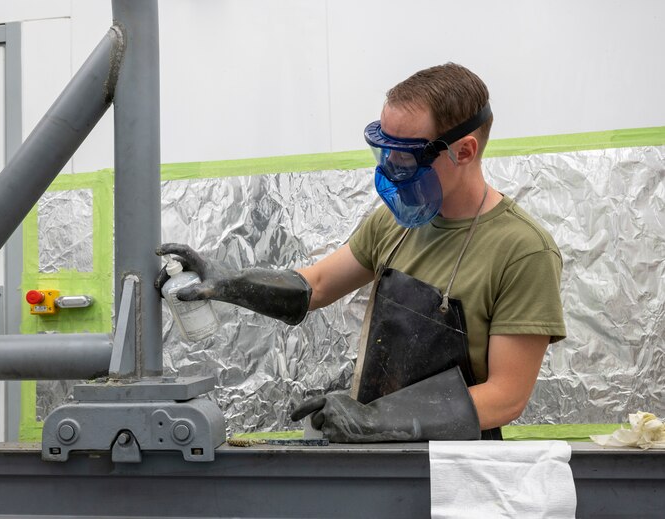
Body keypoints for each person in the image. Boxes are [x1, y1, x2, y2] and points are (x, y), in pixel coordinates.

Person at [156, 63, 566, 442]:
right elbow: (314, 286)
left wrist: (371, 418)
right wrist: (227, 281)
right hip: (378, 453)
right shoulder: (392, 225)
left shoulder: (523, 250)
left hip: (455, 473)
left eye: (406, 154)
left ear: (464, 151)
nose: (391, 167)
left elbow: (506, 396)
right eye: (385, 150)